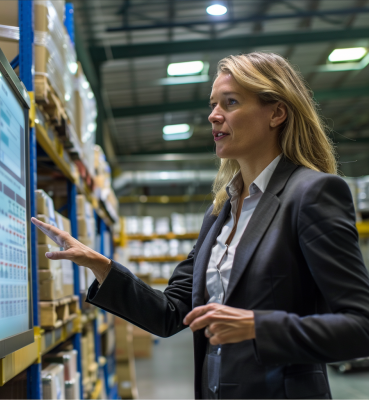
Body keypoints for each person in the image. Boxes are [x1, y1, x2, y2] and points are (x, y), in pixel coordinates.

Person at [32, 52, 369, 399]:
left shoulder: (312, 193)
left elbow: (361, 326)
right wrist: (101, 267)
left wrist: (257, 327)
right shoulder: (220, 210)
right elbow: (171, 313)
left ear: (277, 113)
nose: (213, 115)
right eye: (213, 104)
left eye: (231, 102)